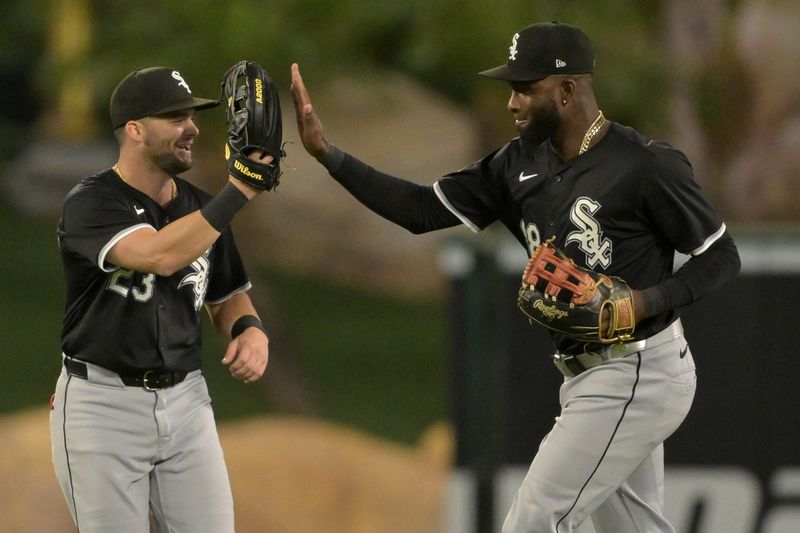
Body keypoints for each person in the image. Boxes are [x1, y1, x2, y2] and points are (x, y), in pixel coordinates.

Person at [290, 21, 741, 533]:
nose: (513, 102)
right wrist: (330, 156)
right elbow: (419, 210)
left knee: (533, 519)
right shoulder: (515, 163)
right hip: (586, 374)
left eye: (526, 88)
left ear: (568, 90)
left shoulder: (645, 165)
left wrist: (644, 301)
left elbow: (721, 255)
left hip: (638, 369)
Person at [50, 66, 271, 532]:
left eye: (192, 115)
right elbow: (159, 255)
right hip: (102, 404)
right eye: (174, 117)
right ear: (134, 130)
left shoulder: (203, 208)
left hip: (187, 402)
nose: (191, 127)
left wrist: (250, 331)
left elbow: (228, 298)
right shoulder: (91, 202)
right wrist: (243, 187)